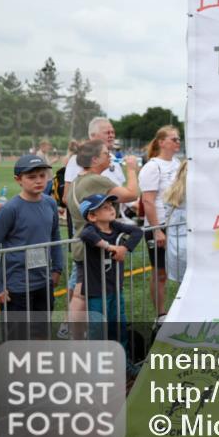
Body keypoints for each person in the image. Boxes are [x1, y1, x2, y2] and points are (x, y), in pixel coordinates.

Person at [0, 155, 63, 336]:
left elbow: (55, 236)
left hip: (43, 282)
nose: (38, 181)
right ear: (18, 180)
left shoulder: (50, 203)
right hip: (16, 286)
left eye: (42, 176)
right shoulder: (10, 209)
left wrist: (57, 268)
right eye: (31, 177)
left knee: (42, 334)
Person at [65, 140, 139, 334]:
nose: (110, 156)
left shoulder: (77, 180)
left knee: (79, 294)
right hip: (94, 247)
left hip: (83, 244)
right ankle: (81, 341)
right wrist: (132, 170)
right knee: (83, 297)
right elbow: (132, 194)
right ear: (95, 159)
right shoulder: (95, 180)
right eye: (106, 153)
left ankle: (77, 338)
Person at [77, 193, 142, 374]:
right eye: (104, 208)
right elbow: (85, 234)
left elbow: (137, 231)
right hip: (96, 292)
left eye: (111, 205)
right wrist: (110, 247)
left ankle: (122, 362)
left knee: (118, 327)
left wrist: (124, 248)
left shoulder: (115, 226)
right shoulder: (91, 229)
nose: (111, 209)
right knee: (97, 331)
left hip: (115, 289)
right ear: (92, 216)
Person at [138, 126, 182, 322]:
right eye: (174, 139)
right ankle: (161, 315)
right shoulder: (152, 167)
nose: (178, 142)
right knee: (160, 272)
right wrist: (157, 231)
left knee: (183, 270)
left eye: (178, 139)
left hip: (177, 225)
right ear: (161, 142)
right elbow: (148, 201)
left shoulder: (178, 163)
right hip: (159, 226)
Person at [162, 160, 188, 285]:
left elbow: (167, 215)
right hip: (182, 239)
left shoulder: (172, 189)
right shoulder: (174, 190)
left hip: (176, 239)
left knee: (183, 283)